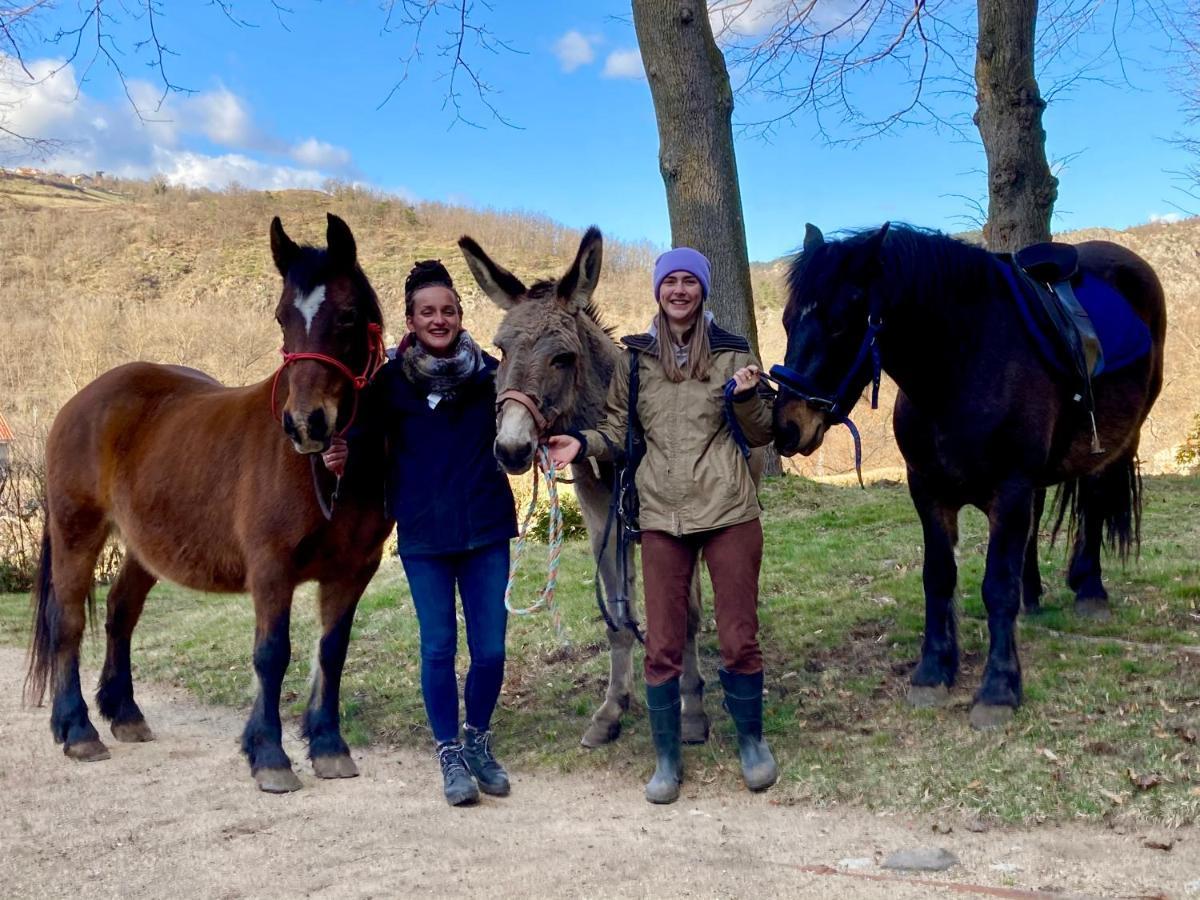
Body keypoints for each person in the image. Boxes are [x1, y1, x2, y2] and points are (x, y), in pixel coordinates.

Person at [545, 247, 777, 804]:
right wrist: (581, 442)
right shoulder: (637, 359)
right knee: (663, 645)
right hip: (661, 514)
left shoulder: (731, 351)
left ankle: (752, 743)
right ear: (658, 290)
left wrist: (746, 398)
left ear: (702, 290)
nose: (678, 290)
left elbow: (765, 432)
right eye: (669, 281)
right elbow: (621, 430)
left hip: (727, 509)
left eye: (688, 281)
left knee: (738, 637)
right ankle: (667, 760)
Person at [324, 259, 517, 807]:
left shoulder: (491, 374)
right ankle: (449, 752)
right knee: (438, 648)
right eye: (427, 311)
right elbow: (358, 447)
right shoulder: (387, 383)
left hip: (486, 528)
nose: (439, 319)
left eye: (448, 310)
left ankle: (478, 741)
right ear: (410, 320)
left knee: (491, 649)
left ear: (461, 315)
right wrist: (342, 457)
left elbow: (525, 423)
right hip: (425, 536)